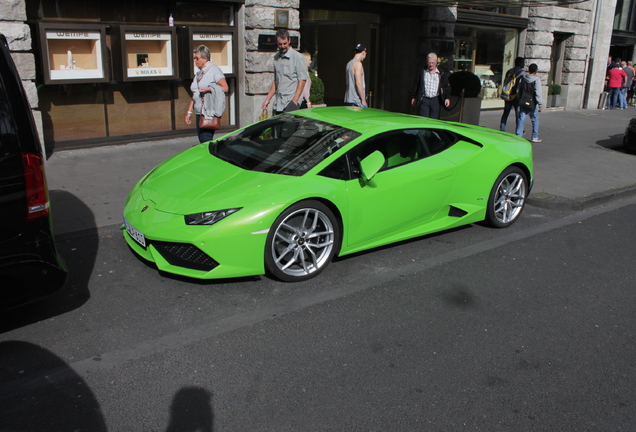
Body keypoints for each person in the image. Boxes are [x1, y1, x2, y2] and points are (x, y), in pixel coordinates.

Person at [186, 45, 229, 143]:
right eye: (194, 58)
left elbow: (225, 88)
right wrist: (189, 112)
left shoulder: (214, 70)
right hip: (198, 112)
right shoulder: (199, 74)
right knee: (202, 140)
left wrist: (209, 88)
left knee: (206, 140)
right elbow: (195, 93)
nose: (195, 60)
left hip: (208, 112)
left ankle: (213, 156)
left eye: (197, 58)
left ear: (205, 59)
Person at [261, 29, 308, 115]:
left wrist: (295, 101)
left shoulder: (297, 57)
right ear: (276, 42)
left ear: (289, 40)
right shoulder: (276, 58)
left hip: (291, 104)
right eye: (280, 44)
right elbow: (276, 82)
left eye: (285, 43)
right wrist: (267, 99)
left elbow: (302, 80)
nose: (283, 46)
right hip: (278, 104)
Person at [410, 52, 451, 119]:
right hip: (424, 99)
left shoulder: (441, 74)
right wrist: (413, 96)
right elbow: (416, 84)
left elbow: (447, 87)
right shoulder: (422, 72)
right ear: (427, 62)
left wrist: (447, 98)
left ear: (436, 62)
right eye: (429, 62)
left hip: (435, 100)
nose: (431, 65)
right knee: (423, 121)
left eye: (433, 63)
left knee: (434, 121)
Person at [515, 63, 543, 143]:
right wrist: (540, 104)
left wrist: (519, 99)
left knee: (521, 118)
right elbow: (538, 92)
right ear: (536, 71)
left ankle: (518, 135)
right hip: (532, 102)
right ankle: (534, 136)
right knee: (534, 119)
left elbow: (518, 90)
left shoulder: (523, 78)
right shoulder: (536, 80)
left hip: (523, 101)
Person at [500, 56, 525, 132]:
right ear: (520, 63)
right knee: (518, 114)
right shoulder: (522, 73)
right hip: (516, 96)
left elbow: (505, 82)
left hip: (507, 94)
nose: (524, 64)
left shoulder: (509, 71)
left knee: (506, 112)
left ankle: (502, 128)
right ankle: (519, 130)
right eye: (523, 62)